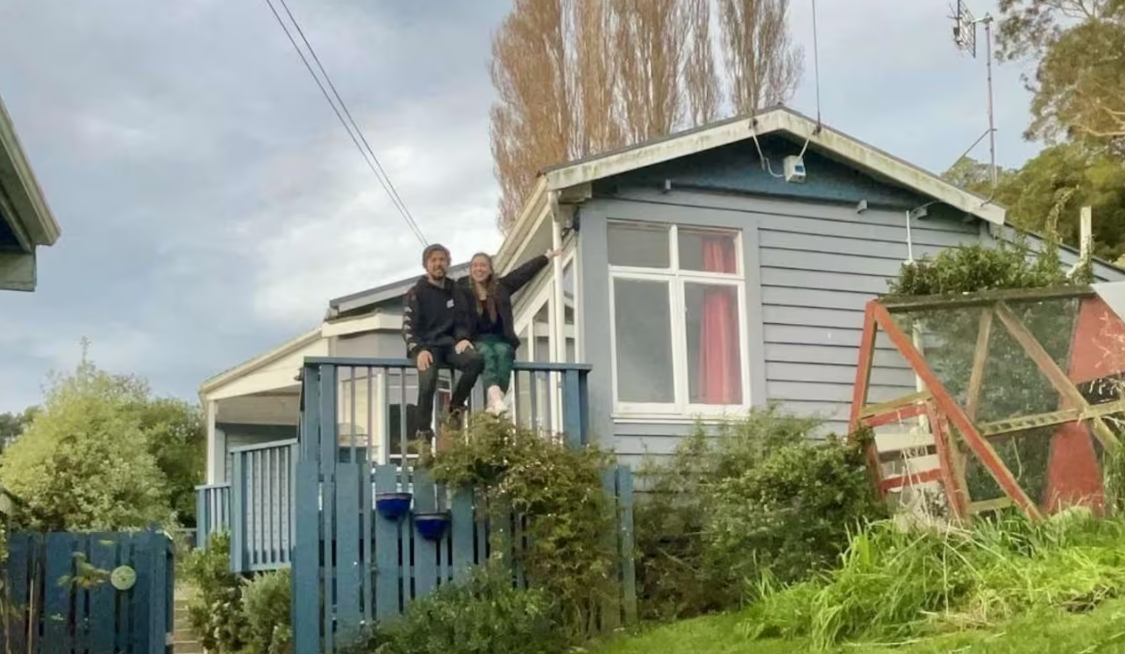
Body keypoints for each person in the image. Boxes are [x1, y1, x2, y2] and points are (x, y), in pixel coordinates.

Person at [458, 249, 561, 415]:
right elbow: (456, 316)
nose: (479, 269)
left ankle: (494, 402)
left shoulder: (501, 287)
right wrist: (461, 338)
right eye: (475, 266)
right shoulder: (462, 291)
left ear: (490, 269)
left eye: (483, 265)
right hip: (476, 340)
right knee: (487, 354)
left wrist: (546, 257)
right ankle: (497, 400)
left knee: (504, 353)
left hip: (500, 338)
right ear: (470, 270)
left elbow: (523, 273)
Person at [402, 243, 484, 439]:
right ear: (425, 265)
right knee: (429, 381)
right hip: (426, 348)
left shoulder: (456, 291)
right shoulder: (415, 293)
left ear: (448, 263)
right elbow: (407, 328)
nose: (438, 264)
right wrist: (418, 350)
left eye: (442, 260)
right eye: (434, 260)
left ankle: (454, 408)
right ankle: (423, 432)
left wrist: (464, 338)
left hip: (449, 346)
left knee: (476, 360)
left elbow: (463, 320)